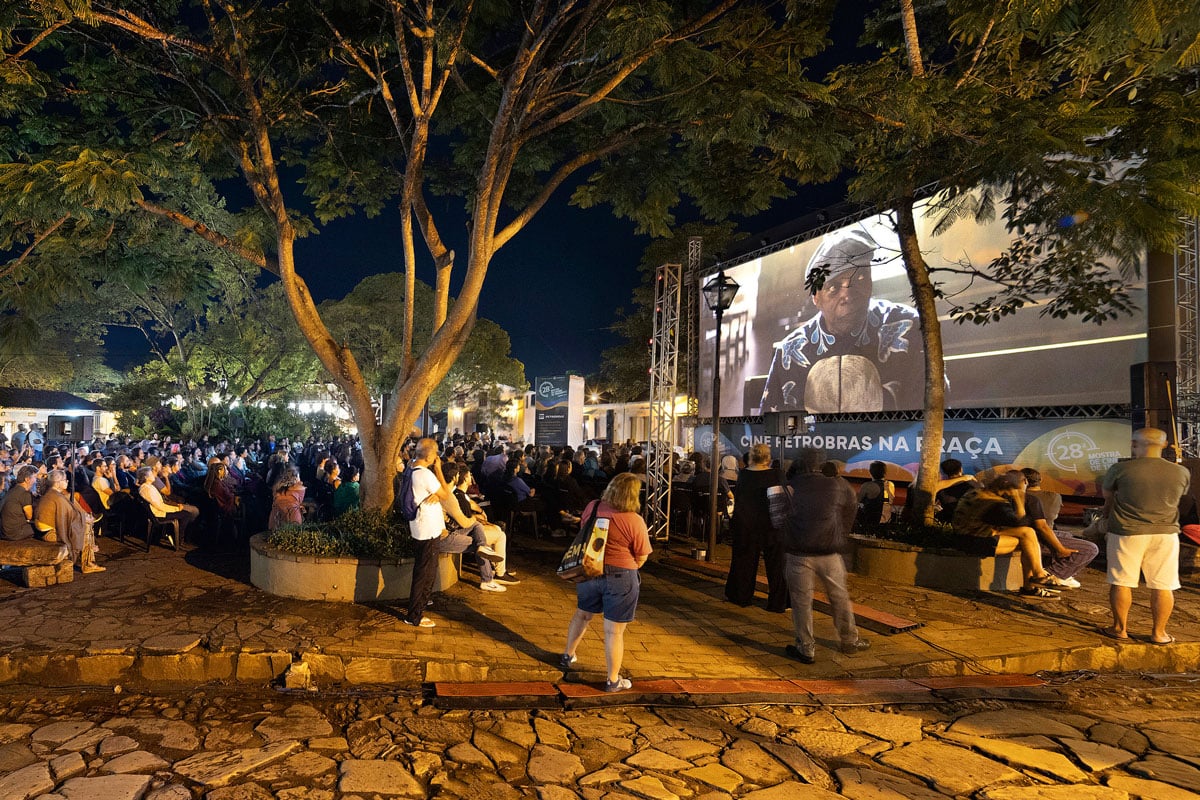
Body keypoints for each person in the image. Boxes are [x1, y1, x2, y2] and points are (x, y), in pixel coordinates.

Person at [760, 230, 925, 413]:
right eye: (834, 287)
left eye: (859, 279)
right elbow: (770, 421)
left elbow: (933, 409)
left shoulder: (908, 326)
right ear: (816, 297)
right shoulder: (789, 351)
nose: (848, 294)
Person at [561, 472, 653, 692]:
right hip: (621, 576)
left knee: (582, 614)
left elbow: (584, 530)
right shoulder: (633, 520)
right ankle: (612, 680)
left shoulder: (593, 507)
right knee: (614, 631)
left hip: (590, 570)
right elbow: (642, 554)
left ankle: (568, 655)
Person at [1098, 427, 1190, 644]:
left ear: (1133, 444)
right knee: (1163, 584)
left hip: (1126, 532)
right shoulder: (1181, 472)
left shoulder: (1120, 469)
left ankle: (1119, 628)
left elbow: (1108, 501)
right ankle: (1159, 633)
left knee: (1121, 581)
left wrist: (1103, 521)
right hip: (1166, 533)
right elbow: (1180, 500)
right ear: (1164, 445)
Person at [403, 439, 503, 628]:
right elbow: (445, 494)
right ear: (431, 456)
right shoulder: (424, 474)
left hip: (421, 528)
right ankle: (414, 615)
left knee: (425, 571)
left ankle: (419, 605)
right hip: (428, 530)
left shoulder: (411, 468)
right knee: (425, 573)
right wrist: (438, 469)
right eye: (435, 455)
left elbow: (440, 493)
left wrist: (437, 490)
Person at [780, 448, 868, 663]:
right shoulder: (839, 485)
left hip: (798, 552)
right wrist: (839, 534)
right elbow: (850, 511)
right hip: (830, 552)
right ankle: (849, 640)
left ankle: (806, 648)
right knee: (839, 597)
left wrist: (790, 535)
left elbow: (776, 518)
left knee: (801, 602)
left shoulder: (788, 486)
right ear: (823, 463)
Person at [952, 472, 1071, 598]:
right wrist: (1019, 500)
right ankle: (1035, 580)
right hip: (973, 541)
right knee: (1028, 540)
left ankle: (1035, 581)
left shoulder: (977, 492)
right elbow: (1019, 522)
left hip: (965, 534)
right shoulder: (994, 502)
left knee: (1028, 534)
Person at [724, 443, 788, 612]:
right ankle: (778, 602)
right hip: (772, 526)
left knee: (745, 562)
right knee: (777, 565)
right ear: (768, 458)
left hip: (747, 525)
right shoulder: (777, 474)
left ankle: (741, 596)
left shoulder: (744, 475)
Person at [1020, 467, 1098, 588]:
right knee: (1091, 549)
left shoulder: (1021, 498)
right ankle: (1050, 575)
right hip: (1036, 538)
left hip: (1036, 535)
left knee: (1067, 535)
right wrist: (1059, 548)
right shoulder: (1042, 498)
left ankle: (1058, 573)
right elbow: (1043, 526)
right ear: (1041, 479)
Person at [34, 469, 104, 572]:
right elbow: (69, 516)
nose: (67, 482)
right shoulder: (56, 497)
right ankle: (87, 563)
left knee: (83, 522)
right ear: (58, 483)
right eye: (65, 480)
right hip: (49, 534)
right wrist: (84, 520)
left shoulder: (53, 493)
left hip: (46, 530)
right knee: (85, 527)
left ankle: (88, 559)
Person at [137, 466, 198, 545]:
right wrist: (176, 509)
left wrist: (176, 507)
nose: (153, 475)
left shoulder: (149, 486)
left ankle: (176, 535)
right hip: (158, 514)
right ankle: (178, 539)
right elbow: (159, 506)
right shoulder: (146, 489)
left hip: (159, 511)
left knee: (186, 513)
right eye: (151, 474)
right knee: (186, 514)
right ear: (146, 477)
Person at [1, 466, 38, 541]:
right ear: (27, 479)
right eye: (35, 477)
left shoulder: (13, 490)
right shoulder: (24, 493)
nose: (36, 480)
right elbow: (29, 516)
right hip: (15, 533)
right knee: (41, 528)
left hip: (4, 531)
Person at [856, 460, 896, 526]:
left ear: (870, 472)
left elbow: (858, 500)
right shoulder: (891, 485)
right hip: (887, 521)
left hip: (871, 522)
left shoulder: (867, 485)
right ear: (885, 472)